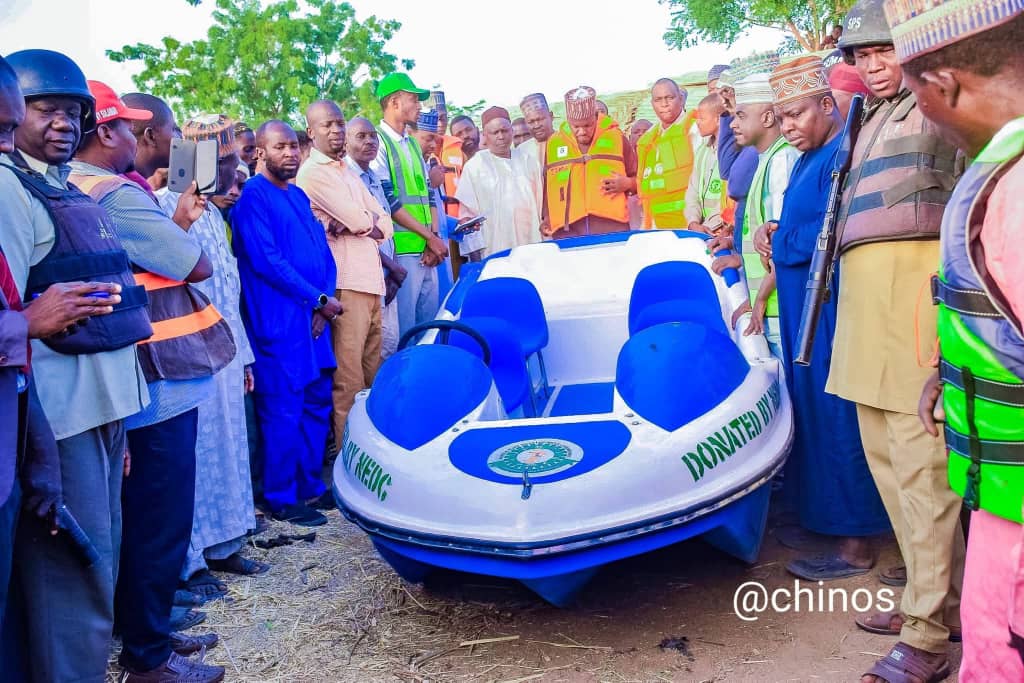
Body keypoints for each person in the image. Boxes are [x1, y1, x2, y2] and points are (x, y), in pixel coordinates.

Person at [0, 50, 158, 683]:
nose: (64, 122)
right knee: (72, 581)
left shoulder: (63, 187)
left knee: (99, 570)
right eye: (46, 110)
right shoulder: (10, 189)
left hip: (101, 411)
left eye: (73, 111)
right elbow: (20, 316)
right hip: (57, 421)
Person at [69, 83, 235, 682]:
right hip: (159, 380)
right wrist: (181, 227)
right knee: (159, 519)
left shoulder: (71, 188)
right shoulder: (115, 195)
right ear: (108, 133)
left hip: (134, 375)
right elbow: (196, 264)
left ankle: (150, 632)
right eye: (134, 129)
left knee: (137, 517)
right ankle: (149, 659)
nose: (150, 139)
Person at [824, 0, 968, 672]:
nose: (873, 65)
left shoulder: (938, 101)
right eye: (861, 55)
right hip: (861, 304)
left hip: (913, 290)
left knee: (923, 466)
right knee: (886, 458)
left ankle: (928, 636)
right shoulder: (867, 119)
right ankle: (931, 596)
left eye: (884, 50)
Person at [889, 3, 1024, 681]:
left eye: (916, 99)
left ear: (943, 84)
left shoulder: (1015, 189)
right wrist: (957, 374)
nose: (923, 118)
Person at [754, 56, 890, 584]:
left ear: (826, 105)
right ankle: (825, 519)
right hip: (800, 308)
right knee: (812, 407)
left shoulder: (846, 153)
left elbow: (839, 233)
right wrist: (773, 227)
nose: (788, 127)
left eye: (795, 115)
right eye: (781, 117)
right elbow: (805, 222)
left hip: (828, 311)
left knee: (838, 414)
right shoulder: (809, 156)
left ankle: (857, 540)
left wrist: (786, 238)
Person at [155, 114, 264, 598]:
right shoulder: (162, 206)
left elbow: (228, 287)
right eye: (214, 159)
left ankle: (226, 544)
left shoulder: (217, 215)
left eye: (227, 158)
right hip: (187, 353)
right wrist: (180, 217)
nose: (223, 168)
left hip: (224, 351)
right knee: (194, 456)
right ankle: (191, 561)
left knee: (229, 445)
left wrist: (243, 357)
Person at [232, 121, 339, 529]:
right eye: (280, 147)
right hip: (278, 322)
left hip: (315, 321)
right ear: (261, 152)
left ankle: (311, 483)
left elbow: (323, 254)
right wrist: (318, 299)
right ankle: (281, 495)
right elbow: (267, 261)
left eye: (294, 146)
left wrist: (323, 302)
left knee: (316, 402)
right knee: (283, 409)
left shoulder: (297, 195)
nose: (290, 154)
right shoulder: (252, 199)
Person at [297, 100, 392, 447]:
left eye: (339, 124)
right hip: (346, 284)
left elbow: (385, 221)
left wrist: (365, 224)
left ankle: (374, 451)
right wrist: (363, 224)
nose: (336, 131)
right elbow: (360, 219)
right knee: (349, 382)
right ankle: (349, 456)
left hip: (370, 282)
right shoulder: (313, 173)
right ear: (311, 132)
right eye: (328, 125)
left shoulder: (346, 171)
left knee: (372, 376)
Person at [713, 70, 795, 349]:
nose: (733, 123)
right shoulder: (766, 159)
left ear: (768, 118)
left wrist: (757, 300)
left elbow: (780, 242)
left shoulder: (782, 160)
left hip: (778, 307)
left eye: (741, 115)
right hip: (772, 306)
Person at [372, 73, 447, 336]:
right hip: (403, 254)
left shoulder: (411, 145)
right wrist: (430, 238)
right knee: (406, 333)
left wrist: (433, 239)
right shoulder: (378, 142)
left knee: (428, 329)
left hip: (427, 250)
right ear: (394, 102)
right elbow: (389, 202)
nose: (419, 105)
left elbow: (427, 194)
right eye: (413, 99)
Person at [344, 116, 407, 360]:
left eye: (373, 136)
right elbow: (360, 233)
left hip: (388, 276)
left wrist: (394, 267)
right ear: (346, 141)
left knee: (389, 345)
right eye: (361, 136)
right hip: (367, 279)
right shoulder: (345, 179)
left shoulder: (374, 177)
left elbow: (386, 229)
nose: (370, 141)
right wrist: (393, 268)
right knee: (370, 354)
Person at [541, 86, 635, 239]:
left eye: (587, 125)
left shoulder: (617, 138)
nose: (582, 131)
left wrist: (628, 184)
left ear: (596, 117)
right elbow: (548, 186)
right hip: (568, 233)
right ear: (568, 120)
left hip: (612, 229)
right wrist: (547, 216)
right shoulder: (554, 144)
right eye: (576, 126)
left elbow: (640, 179)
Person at [455, 106, 542, 257]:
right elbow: (467, 217)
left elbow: (541, 204)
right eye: (495, 132)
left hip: (531, 241)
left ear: (511, 131)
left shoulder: (528, 160)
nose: (501, 136)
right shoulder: (475, 167)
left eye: (505, 131)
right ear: (485, 135)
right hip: (494, 247)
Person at [634, 78, 697, 229]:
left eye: (670, 97)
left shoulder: (694, 129)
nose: (664, 104)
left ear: (681, 99)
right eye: (658, 99)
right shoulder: (648, 138)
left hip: (687, 227)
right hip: (654, 228)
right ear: (652, 104)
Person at [685, 93, 730, 233]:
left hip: (722, 231)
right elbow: (692, 191)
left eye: (702, 118)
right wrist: (693, 221)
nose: (697, 122)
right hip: (701, 230)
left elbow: (729, 199)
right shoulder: (702, 151)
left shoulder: (734, 151)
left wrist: (709, 226)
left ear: (717, 119)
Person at [518, 92, 555, 172]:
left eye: (540, 119)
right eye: (531, 122)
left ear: (551, 116)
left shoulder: (567, 142)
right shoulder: (521, 151)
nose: (537, 125)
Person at [627, 118, 654, 229]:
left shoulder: (662, 158)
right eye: (636, 132)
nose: (641, 135)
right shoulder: (624, 162)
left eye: (645, 131)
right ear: (629, 138)